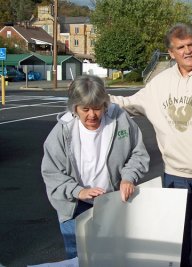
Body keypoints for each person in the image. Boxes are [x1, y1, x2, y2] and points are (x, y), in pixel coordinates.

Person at [110, 23, 192, 267]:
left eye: (191, 44)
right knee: (176, 239)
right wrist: (97, 97)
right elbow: (129, 103)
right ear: (171, 53)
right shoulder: (161, 82)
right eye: (180, 47)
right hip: (174, 173)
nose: (187, 51)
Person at [41, 75, 150, 259]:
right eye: (85, 109)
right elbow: (52, 172)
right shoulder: (62, 131)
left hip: (111, 202)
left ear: (105, 105)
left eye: (97, 108)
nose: (92, 115)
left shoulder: (120, 120)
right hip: (74, 207)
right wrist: (78, 191)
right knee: (79, 259)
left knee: (112, 256)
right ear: (74, 108)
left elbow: (138, 153)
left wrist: (128, 177)